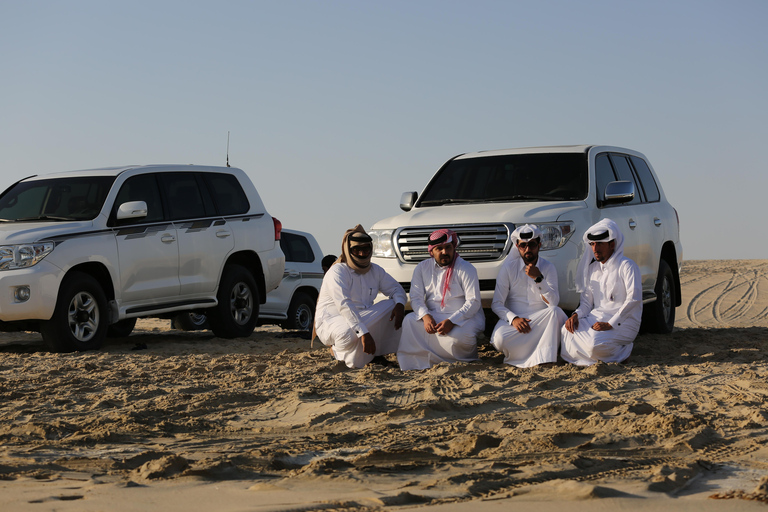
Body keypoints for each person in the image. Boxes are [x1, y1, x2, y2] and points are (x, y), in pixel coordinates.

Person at [314, 225, 406, 369]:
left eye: (366, 249)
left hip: (364, 318)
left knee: (393, 305)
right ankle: (337, 352)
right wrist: (363, 333)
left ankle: (371, 355)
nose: (362, 254)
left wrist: (400, 304)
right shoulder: (338, 271)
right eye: (357, 250)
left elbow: (396, 289)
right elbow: (344, 305)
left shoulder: (376, 270)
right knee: (348, 333)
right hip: (333, 322)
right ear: (348, 250)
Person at [397, 229, 485, 370]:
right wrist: (425, 316)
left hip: (464, 317)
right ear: (432, 251)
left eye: (448, 248)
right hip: (433, 314)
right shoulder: (422, 268)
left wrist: (452, 321)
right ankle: (416, 363)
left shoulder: (466, 268)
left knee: (459, 338)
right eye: (439, 249)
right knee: (409, 322)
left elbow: (473, 302)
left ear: (453, 248)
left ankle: (455, 363)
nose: (445, 252)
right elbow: (416, 297)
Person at [561, 218, 642, 365]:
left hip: (624, 321)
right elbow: (586, 304)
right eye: (592, 244)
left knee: (594, 345)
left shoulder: (627, 266)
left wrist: (611, 323)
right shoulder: (592, 270)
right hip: (596, 318)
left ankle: (623, 352)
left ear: (612, 245)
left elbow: (634, 299)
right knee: (566, 332)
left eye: (599, 244)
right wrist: (575, 315)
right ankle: (598, 356)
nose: (595, 249)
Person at [490, 224, 567, 367]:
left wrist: (539, 279)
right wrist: (514, 319)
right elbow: (497, 304)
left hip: (541, 322)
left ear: (539, 245)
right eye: (523, 246)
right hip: (516, 323)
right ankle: (536, 351)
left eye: (532, 245)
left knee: (555, 312)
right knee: (499, 339)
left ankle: (545, 359)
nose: (527, 249)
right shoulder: (508, 269)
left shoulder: (548, 267)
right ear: (517, 246)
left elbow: (553, 303)